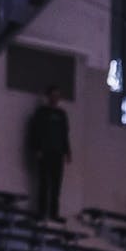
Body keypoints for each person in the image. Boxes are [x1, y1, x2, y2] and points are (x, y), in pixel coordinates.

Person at [27, 84, 73, 221]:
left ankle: (54, 213)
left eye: (57, 96)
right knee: (44, 183)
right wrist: (37, 149)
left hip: (57, 153)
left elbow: (65, 134)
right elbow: (34, 132)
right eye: (53, 95)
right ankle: (42, 212)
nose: (55, 98)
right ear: (48, 97)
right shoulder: (41, 112)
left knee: (56, 185)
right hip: (45, 152)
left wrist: (67, 151)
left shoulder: (62, 114)